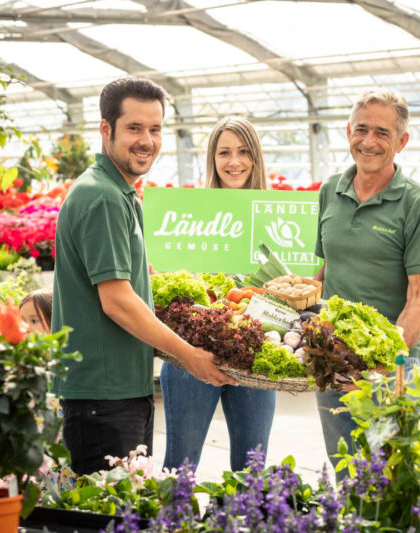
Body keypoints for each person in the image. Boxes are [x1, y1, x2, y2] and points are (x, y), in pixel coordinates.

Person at [51, 77, 236, 476]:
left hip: (119, 391)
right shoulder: (101, 197)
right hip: (103, 396)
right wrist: (190, 356)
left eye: (155, 129)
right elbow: (117, 301)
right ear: (106, 129)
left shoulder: (118, 191)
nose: (147, 140)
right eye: (134, 128)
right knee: (109, 516)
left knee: (126, 512)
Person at [313, 90, 420, 479]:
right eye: (361, 129)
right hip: (332, 364)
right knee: (346, 473)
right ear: (348, 132)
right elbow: (326, 269)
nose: (369, 142)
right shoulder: (330, 190)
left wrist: (381, 364)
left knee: (392, 482)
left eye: (383, 133)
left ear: (402, 141)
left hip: (390, 368)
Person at [160, 117, 273, 472]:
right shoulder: (190, 214)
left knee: (252, 468)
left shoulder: (276, 216)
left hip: (253, 356)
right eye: (223, 152)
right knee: (180, 465)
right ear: (212, 159)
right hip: (192, 356)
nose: (233, 162)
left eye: (243, 152)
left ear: (255, 157)